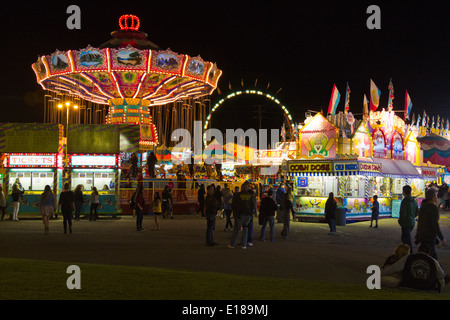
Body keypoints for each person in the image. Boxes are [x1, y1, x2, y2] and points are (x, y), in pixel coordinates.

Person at [415, 189, 446, 260]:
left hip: (423, 235)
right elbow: (434, 224)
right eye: (436, 196)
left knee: (427, 256)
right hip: (429, 236)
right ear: (433, 197)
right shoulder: (433, 208)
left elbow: (421, 222)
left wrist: (417, 236)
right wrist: (442, 238)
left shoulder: (423, 207)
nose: (437, 197)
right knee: (431, 258)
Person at [229, 181, 256, 249]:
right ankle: (244, 244)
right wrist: (253, 212)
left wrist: (234, 212)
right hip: (247, 214)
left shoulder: (237, 195)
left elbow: (233, 204)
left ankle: (232, 244)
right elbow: (253, 205)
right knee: (245, 229)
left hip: (239, 214)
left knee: (236, 230)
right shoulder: (250, 195)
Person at [398, 185, 418, 254]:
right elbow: (416, 212)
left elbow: (402, 213)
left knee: (406, 239)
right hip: (412, 221)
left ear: (404, 192)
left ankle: (409, 253)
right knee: (405, 238)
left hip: (406, 222)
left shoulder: (405, 201)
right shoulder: (414, 201)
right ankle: (407, 252)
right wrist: (412, 216)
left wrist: (400, 221)